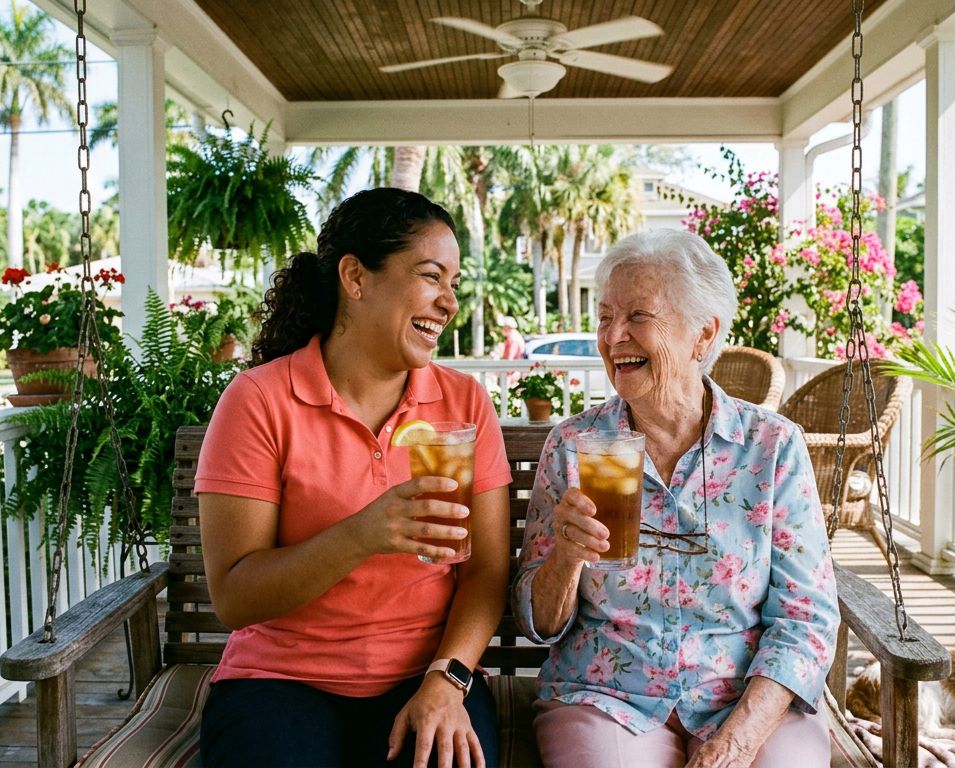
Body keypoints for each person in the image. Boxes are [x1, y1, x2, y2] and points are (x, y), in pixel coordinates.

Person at [195, 188, 512, 768]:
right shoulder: (260, 401)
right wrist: (363, 534)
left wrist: (449, 678)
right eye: (430, 276)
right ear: (355, 277)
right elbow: (235, 597)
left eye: (454, 285)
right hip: (278, 680)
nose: (448, 303)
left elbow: (487, 570)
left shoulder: (464, 402)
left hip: (427, 674)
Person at [513, 229, 840, 768]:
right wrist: (566, 560)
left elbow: (805, 617)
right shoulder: (573, 446)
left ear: (702, 334)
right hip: (608, 696)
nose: (613, 336)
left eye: (638, 316)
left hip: (746, 694)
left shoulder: (771, 446)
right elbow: (538, 625)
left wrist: (738, 740)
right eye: (605, 317)